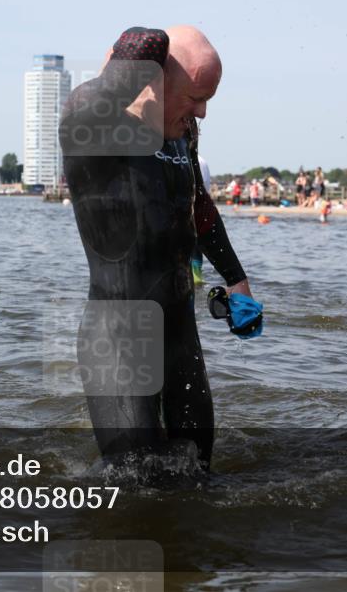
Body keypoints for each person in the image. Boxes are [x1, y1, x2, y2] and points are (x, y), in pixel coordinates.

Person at [60, 25, 255, 469]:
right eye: (194, 97)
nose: (202, 112)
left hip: (180, 334)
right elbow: (138, 43)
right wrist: (154, 54)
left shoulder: (180, 134)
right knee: (135, 479)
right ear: (152, 79)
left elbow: (198, 205)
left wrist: (237, 280)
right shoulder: (93, 122)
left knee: (196, 468)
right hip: (119, 335)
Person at [191, 153, 212, 285]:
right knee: (196, 247)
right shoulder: (202, 160)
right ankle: (197, 278)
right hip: (200, 210)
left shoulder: (195, 160)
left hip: (189, 209)